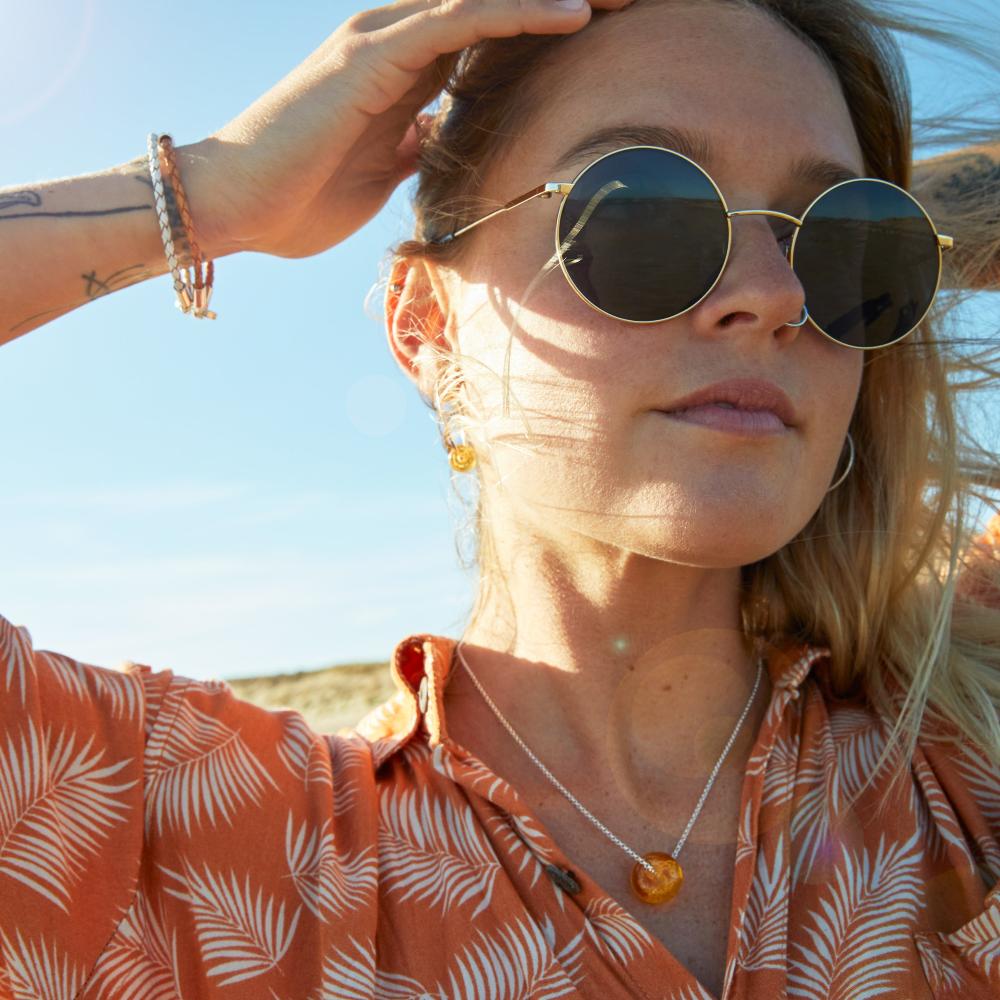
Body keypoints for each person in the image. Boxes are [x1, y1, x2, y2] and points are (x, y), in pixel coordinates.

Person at [1, 0, 999, 997]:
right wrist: (205, 191)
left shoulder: (967, 747)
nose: (775, 292)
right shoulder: (181, 843)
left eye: (833, 245)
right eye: (640, 211)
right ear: (426, 326)